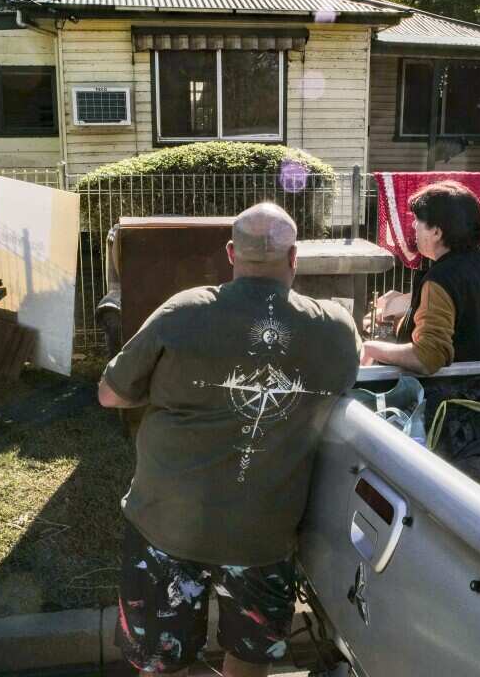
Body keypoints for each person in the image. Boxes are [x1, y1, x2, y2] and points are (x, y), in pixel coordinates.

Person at [97, 203, 361, 677]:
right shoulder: (335, 329)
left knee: (160, 663)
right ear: (294, 257)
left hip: (165, 527)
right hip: (263, 536)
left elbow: (110, 394)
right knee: (250, 660)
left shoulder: (184, 310)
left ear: (230, 253)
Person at [363, 180, 480, 373]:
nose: (414, 225)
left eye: (418, 220)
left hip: (454, 395)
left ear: (437, 232)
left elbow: (428, 358)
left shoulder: (440, 280)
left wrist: (372, 348)